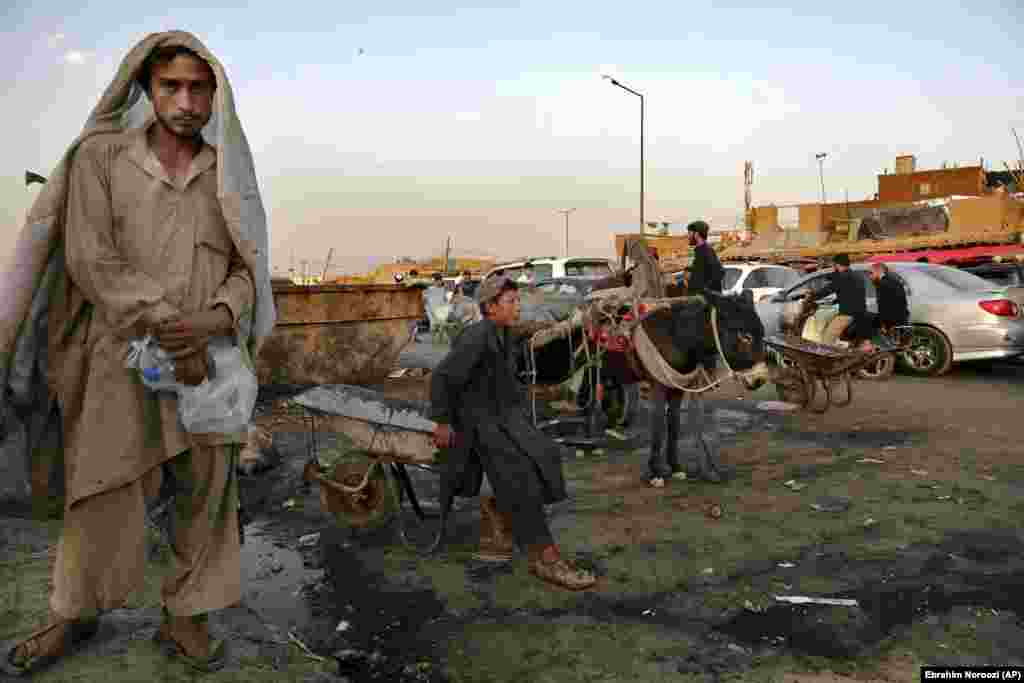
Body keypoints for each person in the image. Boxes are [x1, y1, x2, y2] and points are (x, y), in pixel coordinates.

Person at [1, 32, 275, 675]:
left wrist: (216, 317)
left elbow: (246, 266)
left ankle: (188, 618)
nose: (184, 100)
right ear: (146, 91)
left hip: (207, 361)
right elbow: (91, 258)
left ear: (215, 96)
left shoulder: (226, 170)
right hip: (119, 357)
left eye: (197, 87)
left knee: (207, 492)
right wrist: (165, 322)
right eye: (169, 86)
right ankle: (73, 613)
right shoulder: (102, 158)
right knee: (100, 488)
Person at [429, 276, 596, 590]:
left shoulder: (503, 333)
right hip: (477, 423)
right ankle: (544, 557)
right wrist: (442, 422)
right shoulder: (477, 336)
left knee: (544, 452)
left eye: (517, 301)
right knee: (518, 475)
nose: (517, 306)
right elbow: (442, 378)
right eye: (511, 302)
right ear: (490, 308)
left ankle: (502, 516)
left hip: (502, 417)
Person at [646, 221, 725, 488]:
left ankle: (669, 465)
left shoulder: (705, 253)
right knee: (681, 412)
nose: (687, 236)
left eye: (689, 233)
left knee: (686, 414)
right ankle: (676, 462)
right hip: (698, 335)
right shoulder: (705, 254)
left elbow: (714, 276)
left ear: (696, 234)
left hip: (697, 327)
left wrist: (698, 293)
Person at [816, 254, 868, 346]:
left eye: (834, 265)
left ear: (837, 264)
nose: (833, 267)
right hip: (861, 312)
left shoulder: (842, 278)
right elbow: (836, 280)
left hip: (848, 313)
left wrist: (813, 296)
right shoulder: (856, 275)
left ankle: (826, 357)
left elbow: (828, 289)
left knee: (827, 338)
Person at [869, 262, 909, 334]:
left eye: (871, 273)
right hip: (901, 318)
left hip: (891, 321)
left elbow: (883, 305)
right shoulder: (895, 281)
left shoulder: (882, 284)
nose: (870, 276)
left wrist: (882, 324)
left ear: (879, 272)